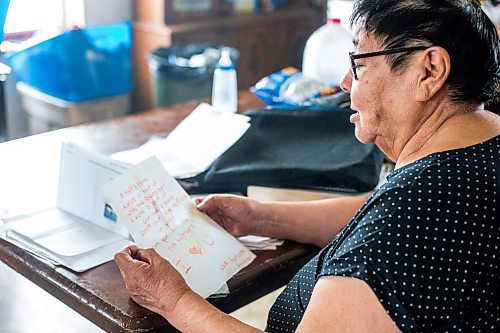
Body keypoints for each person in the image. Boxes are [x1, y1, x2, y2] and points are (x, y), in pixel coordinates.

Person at [114, 0, 500, 331]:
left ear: (429, 71)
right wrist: (260, 217)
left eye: (360, 63)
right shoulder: (478, 147)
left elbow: (395, 226)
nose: (346, 82)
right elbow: (376, 211)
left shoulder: (411, 214)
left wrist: (173, 300)